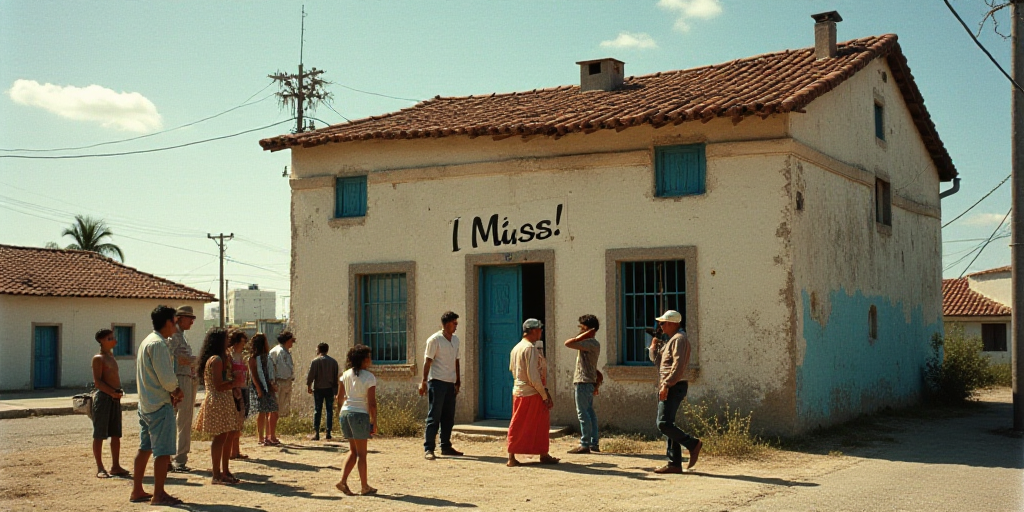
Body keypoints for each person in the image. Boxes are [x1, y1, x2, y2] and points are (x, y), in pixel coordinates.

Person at [130, 305, 185, 506]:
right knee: (162, 452)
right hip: (159, 405)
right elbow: (167, 378)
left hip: (146, 404)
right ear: (169, 322)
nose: (176, 326)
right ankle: (159, 494)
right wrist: (177, 390)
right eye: (175, 321)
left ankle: (137, 490)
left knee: (145, 448)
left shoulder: (147, 341)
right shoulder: (159, 344)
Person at [649, 310, 702, 474]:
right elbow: (657, 361)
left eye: (663, 323)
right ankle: (674, 463)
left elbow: (678, 366)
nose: (661, 326)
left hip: (673, 385)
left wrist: (667, 384)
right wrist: (654, 345)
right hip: (669, 384)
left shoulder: (679, 339)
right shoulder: (672, 340)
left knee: (663, 424)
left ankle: (692, 444)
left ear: (672, 323)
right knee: (668, 424)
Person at [506, 319, 559, 467]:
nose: (541, 332)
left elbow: (512, 369)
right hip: (530, 392)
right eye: (539, 330)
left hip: (520, 390)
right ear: (534, 330)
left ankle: (541, 453)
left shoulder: (516, 348)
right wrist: (544, 395)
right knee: (523, 423)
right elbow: (533, 376)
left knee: (534, 423)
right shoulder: (529, 349)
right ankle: (514, 456)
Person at [193, 328, 241, 485]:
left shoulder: (221, 358)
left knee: (227, 436)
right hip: (218, 399)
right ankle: (216, 474)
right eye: (226, 338)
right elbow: (218, 385)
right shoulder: (216, 360)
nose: (229, 341)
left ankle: (225, 471)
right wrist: (235, 383)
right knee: (220, 437)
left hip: (224, 399)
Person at [419, 311, 463, 460]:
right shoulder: (434, 340)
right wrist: (424, 381)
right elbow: (428, 361)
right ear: (446, 324)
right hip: (436, 382)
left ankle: (446, 445)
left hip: (450, 382)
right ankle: (429, 448)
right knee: (434, 416)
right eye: (454, 323)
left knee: (448, 417)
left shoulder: (455, 340)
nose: (456, 326)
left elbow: (456, 360)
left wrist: (457, 379)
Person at [335, 344, 378, 496]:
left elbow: (339, 398)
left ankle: (343, 481)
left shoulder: (345, 375)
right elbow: (372, 403)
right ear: (364, 360)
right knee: (362, 454)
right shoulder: (369, 377)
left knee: (353, 451)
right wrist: (374, 421)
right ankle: (364, 486)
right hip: (360, 415)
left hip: (345, 413)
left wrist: (341, 412)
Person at [91, 328, 129, 479]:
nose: (114, 341)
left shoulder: (111, 356)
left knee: (115, 434)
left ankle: (115, 465)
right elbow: (98, 382)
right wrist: (111, 392)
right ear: (101, 340)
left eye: (113, 338)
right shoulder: (98, 358)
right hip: (104, 399)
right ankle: (100, 467)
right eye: (109, 338)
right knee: (99, 434)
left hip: (115, 398)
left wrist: (117, 392)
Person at [166, 305, 198, 473]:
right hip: (179, 379)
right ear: (179, 318)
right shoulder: (173, 338)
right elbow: (170, 359)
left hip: (187, 378)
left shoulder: (182, 337)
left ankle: (178, 458)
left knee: (184, 420)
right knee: (181, 421)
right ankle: (178, 460)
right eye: (189, 318)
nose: (192, 321)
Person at [564, 314, 601, 454]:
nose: (580, 329)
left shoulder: (589, 343)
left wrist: (584, 335)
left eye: (583, 327)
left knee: (583, 413)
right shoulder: (593, 343)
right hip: (589, 381)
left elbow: (568, 343)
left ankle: (585, 443)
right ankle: (593, 442)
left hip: (583, 381)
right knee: (590, 412)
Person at [248, 333, 279, 446]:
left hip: (268, 386)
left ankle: (270, 435)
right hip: (260, 387)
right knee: (262, 412)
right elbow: (254, 375)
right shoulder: (253, 359)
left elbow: (271, 371)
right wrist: (259, 389)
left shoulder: (267, 357)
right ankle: (261, 437)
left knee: (271, 410)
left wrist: (272, 384)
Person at [307, 342, 340, 441]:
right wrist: (336, 391)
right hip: (329, 388)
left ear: (319, 349)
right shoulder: (333, 362)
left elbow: (311, 376)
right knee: (329, 410)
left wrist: (309, 386)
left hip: (319, 389)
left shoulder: (315, 362)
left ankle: (316, 432)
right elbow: (336, 378)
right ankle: (328, 432)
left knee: (318, 410)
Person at [227, 330, 250, 460]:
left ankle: (236, 450)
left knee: (240, 421)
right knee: (234, 421)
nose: (244, 344)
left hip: (243, 388)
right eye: (242, 341)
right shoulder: (230, 356)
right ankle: (231, 451)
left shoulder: (241, 356)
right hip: (234, 390)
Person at [269, 331, 296, 427]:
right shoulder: (278, 351)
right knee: (274, 410)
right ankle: (270, 434)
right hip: (279, 382)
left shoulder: (286, 352)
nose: (292, 343)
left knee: (279, 410)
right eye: (291, 341)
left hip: (286, 382)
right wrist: (272, 382)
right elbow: (272, 368)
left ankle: (273, 434)